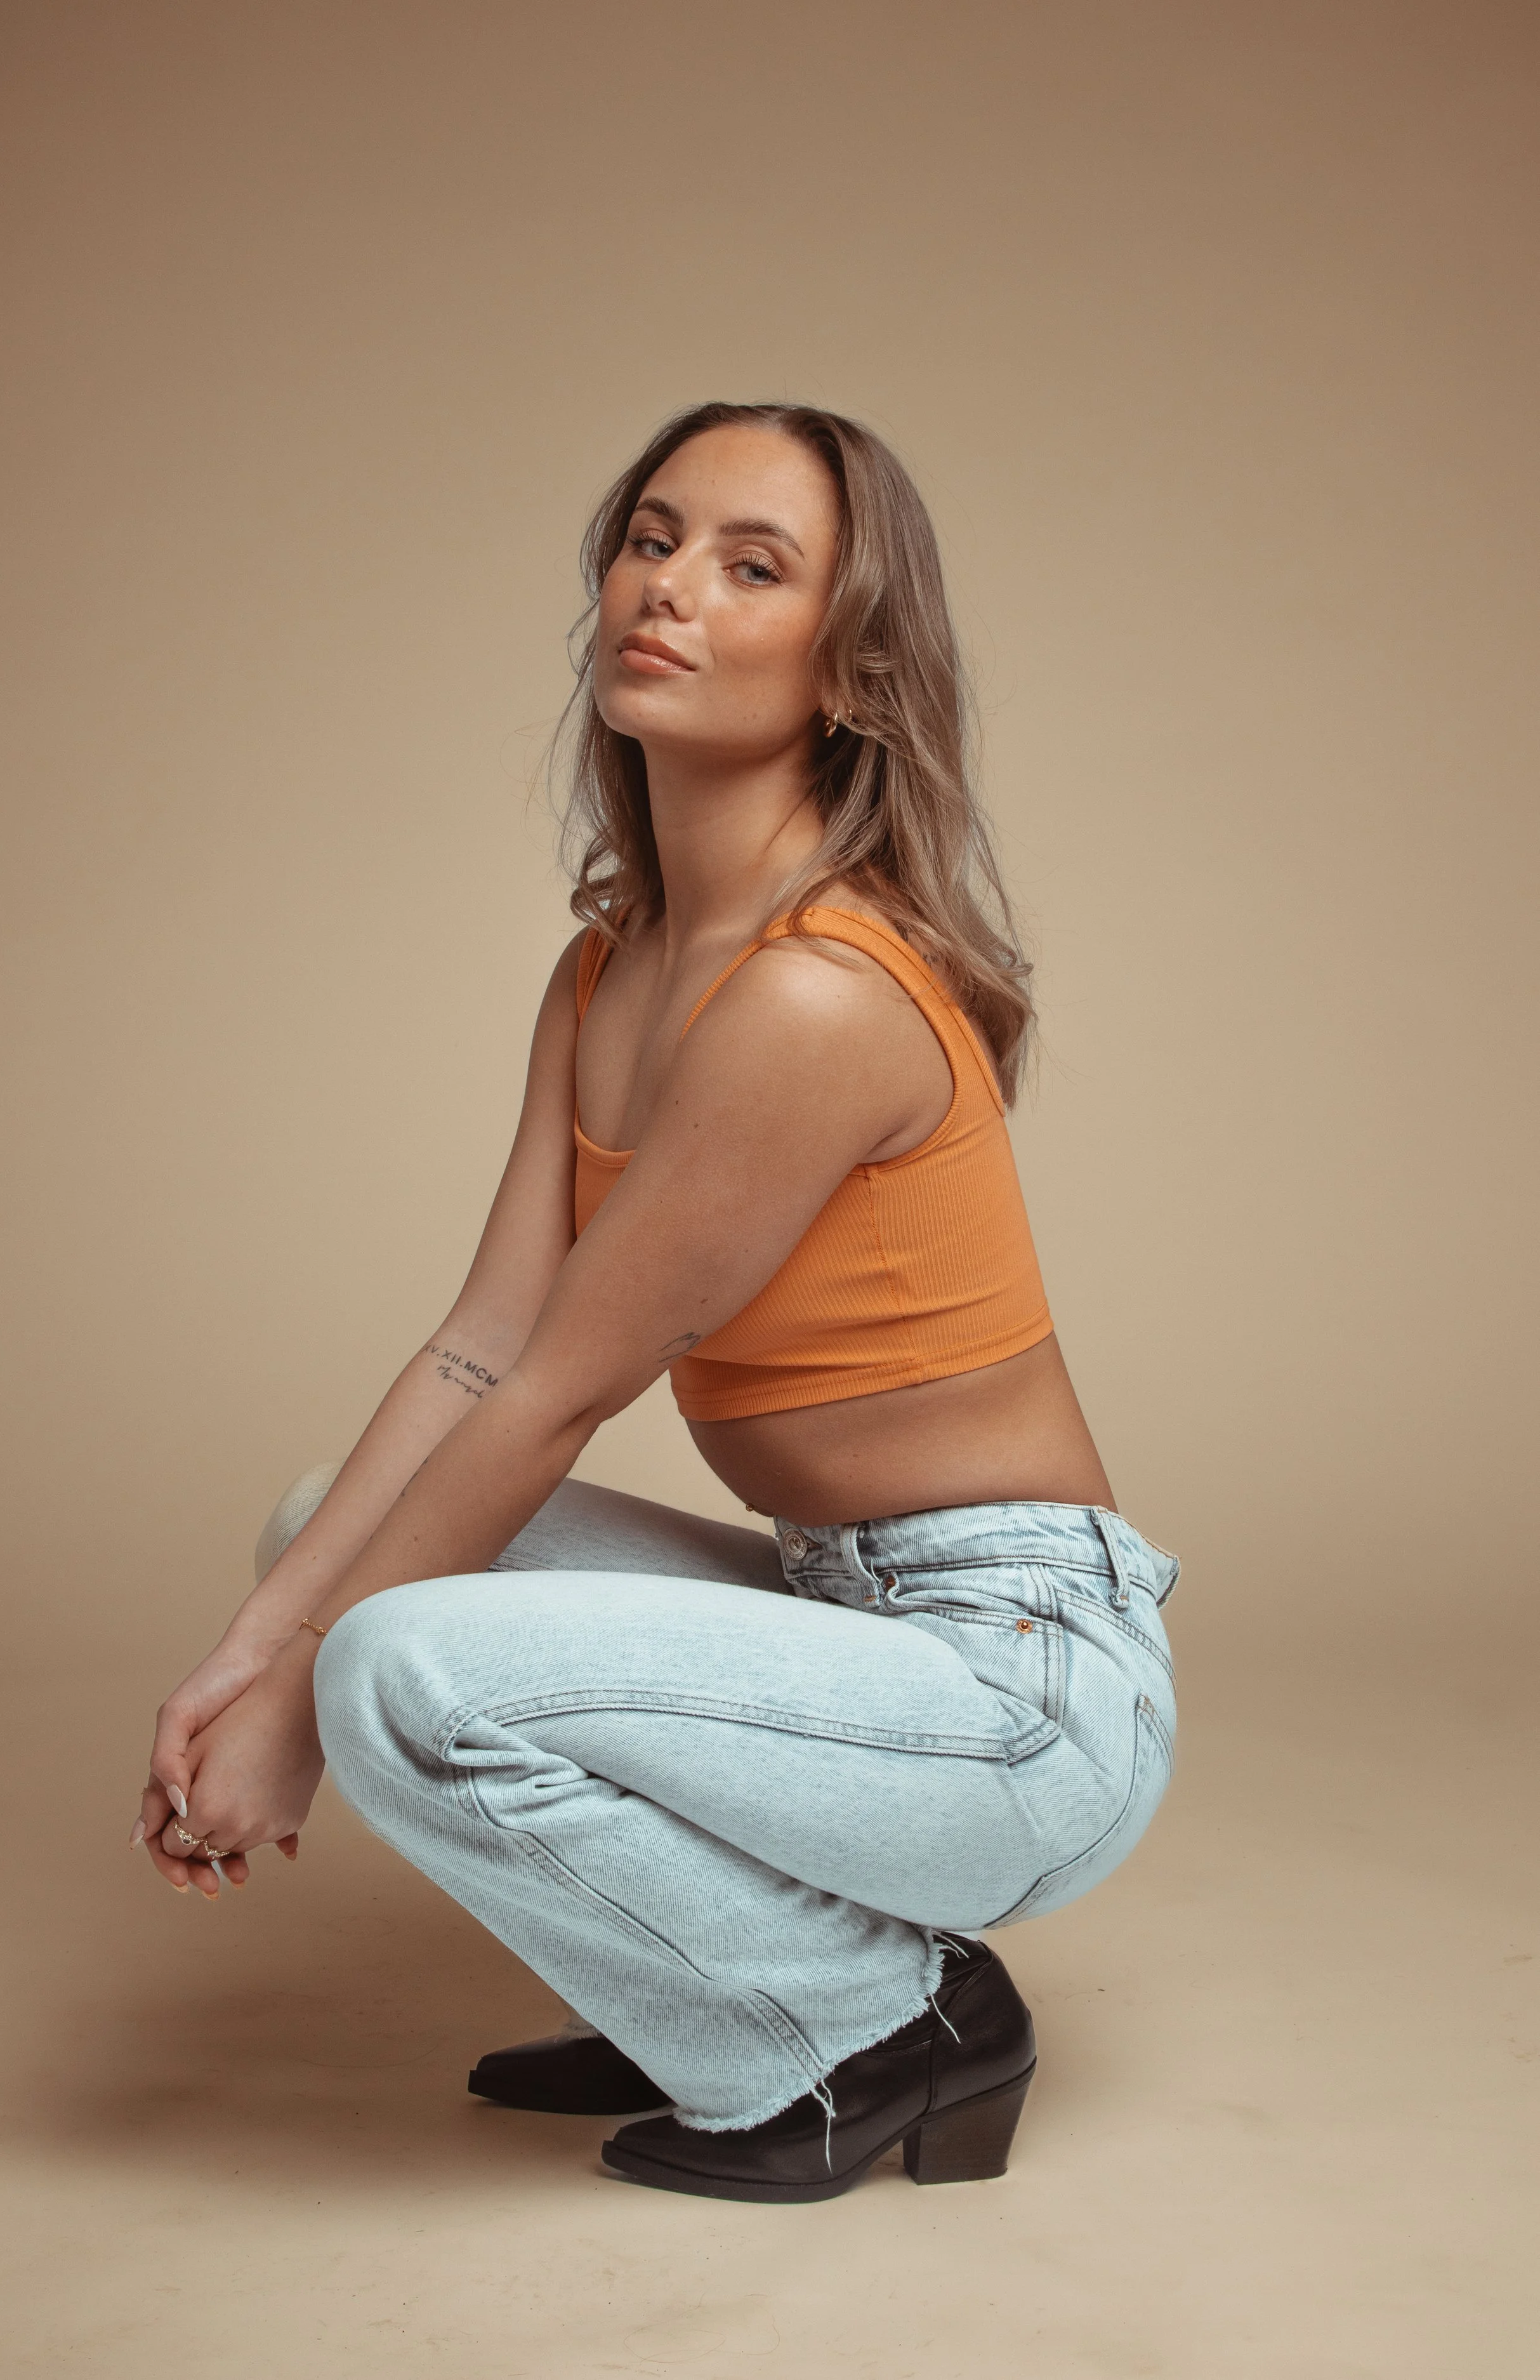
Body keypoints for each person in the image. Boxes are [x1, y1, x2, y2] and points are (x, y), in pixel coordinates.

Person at [132, 401, 1180, 2205]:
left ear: (848, 670)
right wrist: (252, 1642)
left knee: (401, 1662)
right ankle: (703, 1967)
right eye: (652, 536)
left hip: (1017, 1697)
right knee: (326, 1529)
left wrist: (302, 1705)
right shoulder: (610, 958)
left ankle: (871, 2024)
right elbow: (474, 1341)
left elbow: (548, 1395)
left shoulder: (813, 998)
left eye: (749, 566)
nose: (668, 587)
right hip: (842, 1618)